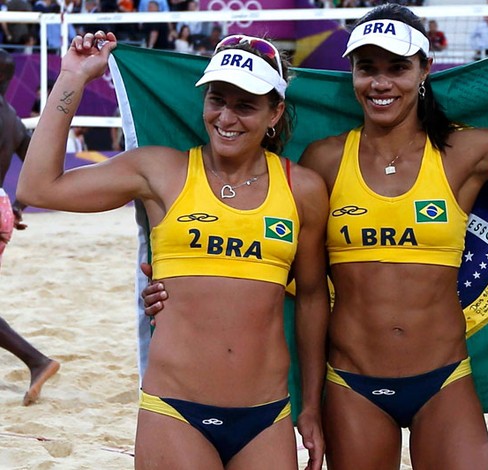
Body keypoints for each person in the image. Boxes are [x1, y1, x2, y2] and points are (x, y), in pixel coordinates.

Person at [143, 2, 488, 468]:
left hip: (444, 380)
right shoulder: (324, 161)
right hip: (351, 386)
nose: (380, 82)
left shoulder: (465, 152)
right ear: (352, 74)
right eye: (366, 68)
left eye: (396, 67)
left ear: (425, 69)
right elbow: (254, 233)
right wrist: (172, 282)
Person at [17, 31, 329, 469]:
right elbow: (38, 187)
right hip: (175, 410)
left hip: (268, 415)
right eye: (217, 99)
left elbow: (313, 297)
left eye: (245, 105)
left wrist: (311, 406)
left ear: (275, 111)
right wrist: (72, 76)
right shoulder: (161, 171)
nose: (227, 117)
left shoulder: (304, 189)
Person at [0, 49, 60, 406]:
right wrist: (17, 205)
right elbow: (36, 163)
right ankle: (37, 362)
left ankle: (37, 361)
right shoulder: (11, 118)